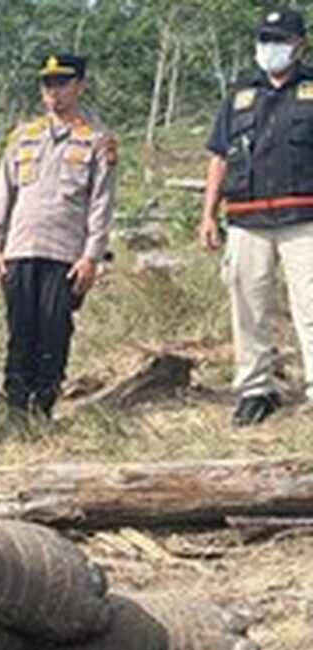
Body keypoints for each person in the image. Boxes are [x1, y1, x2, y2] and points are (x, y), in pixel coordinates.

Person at [0, 53, 117, 428]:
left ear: (79, 86)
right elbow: (3, 195)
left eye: (61, 83)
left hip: (64, 253)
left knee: (55, 330)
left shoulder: (96, 141)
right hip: (20, 249)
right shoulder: (23, 137)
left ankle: (43, 407)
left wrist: (91, 256)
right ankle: (15, 409)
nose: (53, 91)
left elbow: (101, 203)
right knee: (19, 330)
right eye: (47, 84)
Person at [201, 8, 313, 426]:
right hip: (247, 221)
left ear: (298, 45)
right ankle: (255, 389)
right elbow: (218, 158)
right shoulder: (239, 97)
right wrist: (207, 215)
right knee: (248, 307)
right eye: (265, 39)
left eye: (279, 40)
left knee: (311, 306)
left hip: (304, 219)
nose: (271, 48)